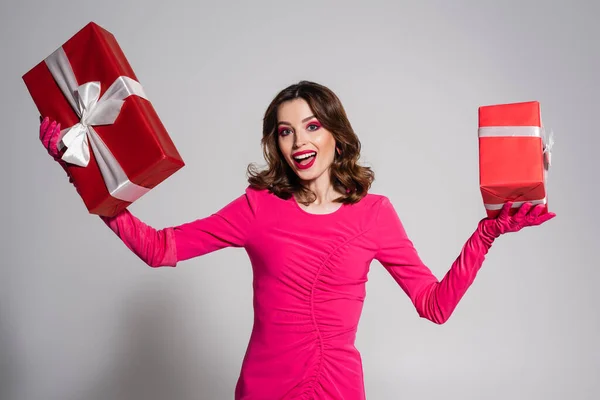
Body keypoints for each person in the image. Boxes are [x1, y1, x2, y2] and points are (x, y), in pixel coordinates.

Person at [38, 80, 555, 399]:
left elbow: (434, 305)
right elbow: (159, 248)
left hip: (338, 392)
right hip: (264, 390)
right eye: (285, 131)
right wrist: (80, 172)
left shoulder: (376, 214)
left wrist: (487, 233)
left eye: (310, 126)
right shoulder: (257, 208)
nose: (299, 141)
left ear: (335, 133)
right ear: (276, 143)